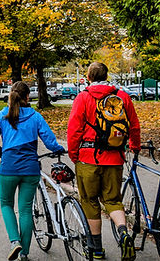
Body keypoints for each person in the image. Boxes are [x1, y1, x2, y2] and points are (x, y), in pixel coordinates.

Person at [67, 62, 141, 261]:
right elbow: (133, 125)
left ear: (89, 77)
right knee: (113, 200)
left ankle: (97, 249)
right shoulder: (122, 96)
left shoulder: (83, 97)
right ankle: (124, 232)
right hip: (114, 158)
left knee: (90, 201)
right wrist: (134, 146)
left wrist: (74, 154)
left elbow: (74, 130)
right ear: (106, 75)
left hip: (88, 158)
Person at [0, 81, 65, 261]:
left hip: (8, 168)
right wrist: (58, 149)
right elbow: (49, 140)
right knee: (25, 210)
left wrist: (2, 153)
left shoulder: (1, 116)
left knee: (6, 204)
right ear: (27, 97)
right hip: (30, 169)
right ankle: (25, 254)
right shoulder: (35, 116)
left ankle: (15, 241)